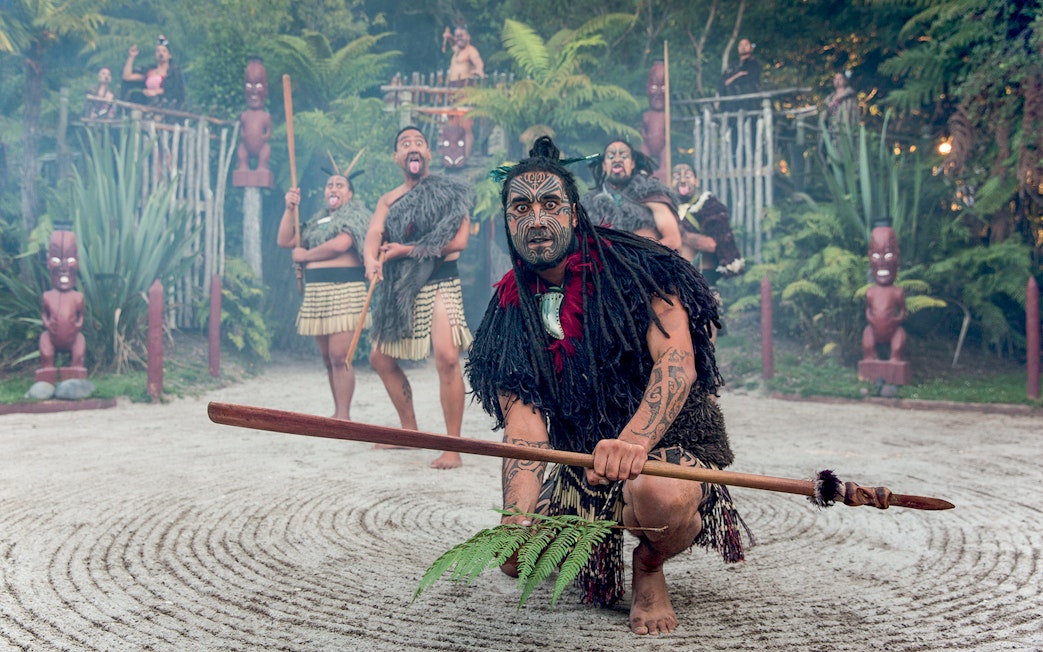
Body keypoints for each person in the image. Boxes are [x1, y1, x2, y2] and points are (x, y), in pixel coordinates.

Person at [467, 136, 750, 635]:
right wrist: (516, 518)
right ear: (507, 223)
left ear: (575, 214)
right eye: (521, 208)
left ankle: (648, 564)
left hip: (668, 445)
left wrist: (635, 441)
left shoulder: (638, 268)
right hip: (585, 464)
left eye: (550, 204)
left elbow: (677, 362)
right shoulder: (509, 311)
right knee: (515, 558)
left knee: (658, 493)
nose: (536, 220)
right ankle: (572, 524)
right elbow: (525, 426)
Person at [363, 126, 473, 469]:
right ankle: (409, 430)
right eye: (405, 144)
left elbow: (458, 241)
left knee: (447, 358)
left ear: (428, 154)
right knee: (380, 358)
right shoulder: (389, 199)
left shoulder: (449, 190)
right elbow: (374, 233)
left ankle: (452, 447)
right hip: (402, 285)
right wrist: (370, 260)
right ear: (397, 158)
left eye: (419, 143)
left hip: (440, 280)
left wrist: (405, 251)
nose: (413, 147)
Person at [277, 169, 371, 420]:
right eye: (330, 184)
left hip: (345, 291)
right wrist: (289, 209)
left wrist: (306, 256)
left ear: (350, 194)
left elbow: (341, 244)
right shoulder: (318, 221)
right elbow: (286, 240)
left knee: (341, 356)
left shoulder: (356, 216)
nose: (333, 188)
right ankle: (338, 412)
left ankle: (343, 416)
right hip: (317, 293)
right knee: (328, 358)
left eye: (340, 185)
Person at [582, 140, 682, 251]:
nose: (617, 159)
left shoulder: (651, 194)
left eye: (624, 156)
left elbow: (673, 240)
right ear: (604, 165)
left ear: (632, 164)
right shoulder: (591, 205)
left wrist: (636, 253)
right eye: (611, 156)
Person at [671, 163, 745, 283]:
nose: (683, 180)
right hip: (675, 277)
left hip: (703, 276)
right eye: (677, 177)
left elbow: (712, 245)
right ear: (670, 183)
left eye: (688, 176)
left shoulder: (709, 207)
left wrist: (681, 233)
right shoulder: (667, 209)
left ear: (696, 181)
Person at [443, 24, 484, 159]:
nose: (459, 38)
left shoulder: (471, 51)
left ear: (468, 37)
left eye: (462, 35)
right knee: (452, 124)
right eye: (457, 36)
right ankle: (453, 157)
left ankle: (466, 157)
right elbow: (454, 43)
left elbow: (478, 62)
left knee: (466, 125)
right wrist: (449, 38)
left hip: (465, 90)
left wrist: (479, 70)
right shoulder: (457, 50)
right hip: (453, 90)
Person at [121, 35, 185, 109]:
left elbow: (176, 91)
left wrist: (156, 92)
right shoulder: (150, 71)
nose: (161, 53)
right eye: (158, 51)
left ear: (169, 55)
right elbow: (127, 77)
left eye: (164, 51)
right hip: (147, 104)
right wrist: (131, 57)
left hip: (165, 106)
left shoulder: (173, 73)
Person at [639, 61, 669, 184]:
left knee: (665, 152)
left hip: (662, 146)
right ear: (647, 88)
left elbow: (667, 133)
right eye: (654, 87)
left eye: (663, 87)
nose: (658, 92)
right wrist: (644, 135)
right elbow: (643, 129)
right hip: (648, 145)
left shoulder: (666, 116)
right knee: (643, 152)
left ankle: (663, 168)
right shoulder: (646, 115)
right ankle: (644, 169)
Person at [718, 38, 761, 111]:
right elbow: (722, 82)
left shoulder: (754, 63)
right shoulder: (733, 66)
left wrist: (732, 80)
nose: (743, 47)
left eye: (746, 45)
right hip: (731, 104)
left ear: (751, 48)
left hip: (749, 103)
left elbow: (749, 78)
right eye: (741, 45)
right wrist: (737, 75)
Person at [825, 71, 859, 136]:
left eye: (840, 79)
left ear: (845, 81)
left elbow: (854, 115)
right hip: (832, 129)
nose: (837, 81)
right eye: (835, 79)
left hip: (846, 130)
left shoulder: (850, 98)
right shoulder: (829, 98)